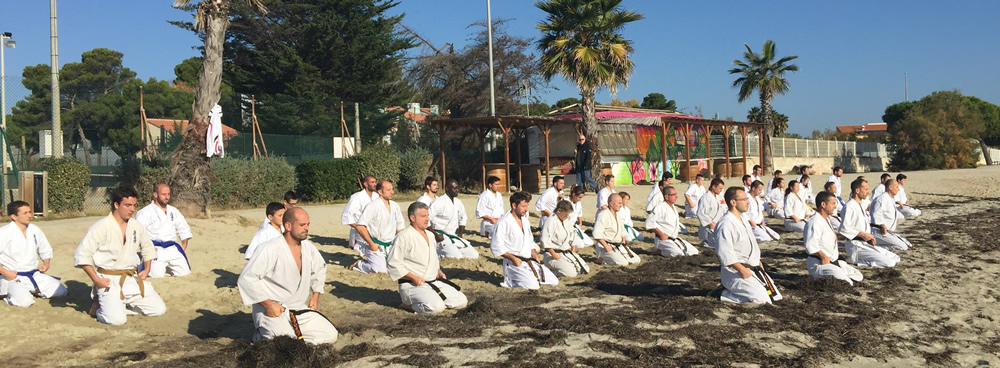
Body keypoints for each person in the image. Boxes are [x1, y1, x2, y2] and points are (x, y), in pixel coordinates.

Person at [238, 208, 337, 344]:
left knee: (330, 335)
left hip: (297, 308)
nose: (306, 228)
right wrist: (268, 305)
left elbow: (319, 268)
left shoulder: (308, 247)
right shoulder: (269, 248)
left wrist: (316, 294)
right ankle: (260, 336)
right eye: (302, 225)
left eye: (308, 224)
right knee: (285, 341)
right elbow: (247, 278)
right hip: (272, 310)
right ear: (288, 226)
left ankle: (296, 340)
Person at [74, 186, 166, 325]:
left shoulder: (136, 226)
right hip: (109, 280)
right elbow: (82, 255)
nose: (132, 209)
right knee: (116, 320)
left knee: (158, 309)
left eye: (134, 205)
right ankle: (98, 309)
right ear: (116, 205)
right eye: (127, 205)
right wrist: (96, 279)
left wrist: (147, 269)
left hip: (131, 278)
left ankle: (119, 306)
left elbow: (147, 247)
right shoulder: (101, 227)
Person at [388, 202, 468, 314]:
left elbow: (432, 258)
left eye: (428, 216)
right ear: (412, 218)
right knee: (436, 308)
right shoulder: (403, 237)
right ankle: (409, 306)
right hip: (412, 285)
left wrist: (438, 270)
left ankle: (432, 299)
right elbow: (393, 263)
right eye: (423, 216)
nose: (427, 219)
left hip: (433, 282)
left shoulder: (430, 235)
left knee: (461, 301)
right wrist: (413, 277)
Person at [715, 187, 782, 304]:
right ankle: (724, 294)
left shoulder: (743, 220)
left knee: (775, 297)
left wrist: (758, 261)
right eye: (744, 199)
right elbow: (725, 253)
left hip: (753, 268)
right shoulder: (725, 224)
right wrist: (742, 270)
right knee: (762, 300)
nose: (748, 202)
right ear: (733, 202)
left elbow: (752, 245)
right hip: (735, 272)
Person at [0, 201, 68, 307]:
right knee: (24, 302)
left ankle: (30, 289)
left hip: (33, 274)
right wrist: (5, 272)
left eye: (30, 212)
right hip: (13, 277)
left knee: (60, 291)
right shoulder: (4, 232)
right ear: (14, 216)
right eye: (25, 213)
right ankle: (7, 294)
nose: (30, 215)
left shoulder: (34, 229)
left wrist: (46, 263)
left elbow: (45, 248)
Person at [490, 192, 558, 289]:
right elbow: (496, 246)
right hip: (514, 263)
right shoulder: (503, 222)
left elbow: (530, 240)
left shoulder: (524, 220)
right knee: (533, 286)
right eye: (523, 206)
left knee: (553, 281)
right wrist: (513, 258)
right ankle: (511, 280)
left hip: (528, 260)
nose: (526, 210)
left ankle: (527, 277)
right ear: (514, 205)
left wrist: (534, 252)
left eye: (527, 206)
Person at [804, 191, 864, 285]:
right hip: (819, 263)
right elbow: (810, 245)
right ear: (823, 204)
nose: (835, 206)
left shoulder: (827, 219)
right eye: (833, 203)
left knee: (858, 275)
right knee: (846, 282)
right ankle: (818, 277)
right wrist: (823, 256)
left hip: (833, 261)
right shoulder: (814, 222)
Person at [134, 184, 193, 278]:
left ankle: (166, 267)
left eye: (168, 194)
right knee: (156, 275)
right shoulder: (145, 212)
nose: (167, 197)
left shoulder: (173, 211)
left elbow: (183, 227)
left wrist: (184, 244)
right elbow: (138, 232)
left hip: (172, 247)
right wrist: (147, 249)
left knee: (185, 272)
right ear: (155, 194)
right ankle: (142, 265)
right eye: (164, 194)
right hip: (156, 249)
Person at [839, 178, 900, 267]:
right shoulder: (849, 207)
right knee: (889, 263)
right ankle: (857, 261)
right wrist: (863, 235)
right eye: (866, 189)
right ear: (857, 190)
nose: (868, 192)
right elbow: (843, 229)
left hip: (865, 243)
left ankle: (862, 258)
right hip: (856, 245)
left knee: (895, 258)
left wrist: (870, 236)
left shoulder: (860, 205)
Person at [350, 180, 406, 274]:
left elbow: (400, 227)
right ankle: (360, 264)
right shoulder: (373, 206)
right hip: (376, 245)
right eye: (388, 190)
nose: (392, 192)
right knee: (380, 270)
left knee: (399, 267)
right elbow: (360, 226)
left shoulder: (395, 206)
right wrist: (372, 244)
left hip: (391, 245)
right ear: (380, 192)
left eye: (392, 189)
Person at [429, 179, 478, 259]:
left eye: (458, 188)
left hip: (453, 235)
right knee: (457, 257)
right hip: (440, 236)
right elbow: (427, 218)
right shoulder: (439, 202)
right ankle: (436, 251)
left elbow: (463, 217)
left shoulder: (458, 202)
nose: (457, 190)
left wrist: (461, 233)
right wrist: (435, 235)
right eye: (454, 188)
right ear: (447, 188)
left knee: (474, 255)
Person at [540, 200, 591, 277]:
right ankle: (548, 272)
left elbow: (573, 234)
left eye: (568, 215)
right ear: (559, 210)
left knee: (584, 269)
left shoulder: (565, 220)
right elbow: (545, 240)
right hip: (553, 254)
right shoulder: (551, 221)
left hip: (566, 253)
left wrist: (573, 249)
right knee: (570, 273)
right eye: (566, 214)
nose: (567, 216)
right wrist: (554, 254)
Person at [646, 186, 699, 257]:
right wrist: (661, 234)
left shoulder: (673, 207)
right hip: (663, 240)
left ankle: (671, 248)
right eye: (673, 195)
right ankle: (660, 252)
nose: (676, 196)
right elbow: (649, 223)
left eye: (676, 194)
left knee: (694, 252)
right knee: (678, 254)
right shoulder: (659, 207)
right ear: (666, 197)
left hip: (675, 239)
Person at [593, 193, 641, 266]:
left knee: (636, 260)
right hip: (605, 246)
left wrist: (623, 240)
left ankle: (610, 257)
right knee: (623, 263)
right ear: (611, 204)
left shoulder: (617, 216)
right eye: (619, 203)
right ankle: (602, 260)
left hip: (619, 245)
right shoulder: (603, 215)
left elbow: (622, 231)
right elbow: (596, 234)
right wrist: (606, 246)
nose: (621, 205)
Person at [870, 179, 913, 250]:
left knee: (908, 244)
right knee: (903, 247)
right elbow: (875, 214)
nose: (898, 189)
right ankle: (875, 247)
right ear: (890, 187)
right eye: (896, 187)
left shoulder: (890, 199)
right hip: (879, 231)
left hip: (889, 231)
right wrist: (882, 225)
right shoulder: (882, 199)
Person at [342, 176, 379, 253]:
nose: (375, 184)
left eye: (375, 182)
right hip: (361, 229)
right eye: (372, 182)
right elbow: (347, 214)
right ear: (366, 184)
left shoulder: (377, 196)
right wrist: (357, 227)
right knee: (363, 249)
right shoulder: (357, 197)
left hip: (374, 228)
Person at [697, 178, 726, 248]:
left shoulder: (717, 197)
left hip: (717, 224)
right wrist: (710, 223)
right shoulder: (706, 197)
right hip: (709, 227)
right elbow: (700, 213)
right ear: (714, 187)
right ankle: (706, 243)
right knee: (719, 246)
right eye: (720, 188)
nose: (721, 190)